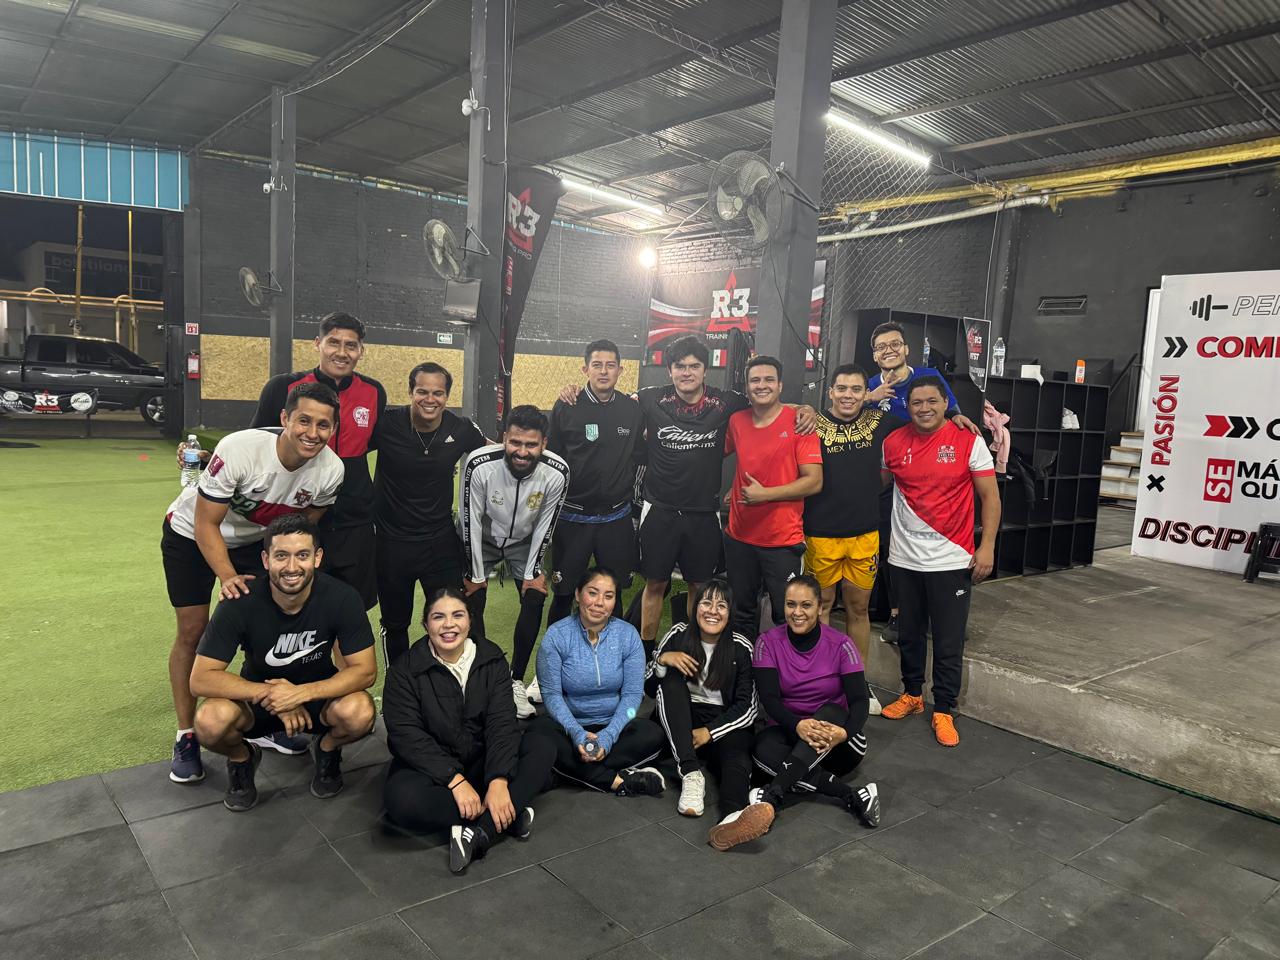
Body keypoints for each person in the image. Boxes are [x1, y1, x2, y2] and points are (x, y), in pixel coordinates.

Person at [557, 336, 816, 652]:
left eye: (694, 366)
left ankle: (695, 652)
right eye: (680, 366)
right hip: (660, 509)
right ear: (670, 371)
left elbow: (767, 403)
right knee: (655, 584)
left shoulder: (727, 402)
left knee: (699, 586)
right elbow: (609, 399)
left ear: (705, 370)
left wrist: (804, 408)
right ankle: (647, 654)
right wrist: (572, 391)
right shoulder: (649, 399)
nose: (687, 372)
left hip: (702, 512)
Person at [161, 382, 345, 785]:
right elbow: (206, 524)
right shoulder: (240, 449)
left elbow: (297, 530)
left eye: (323, 425)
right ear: (284, 419)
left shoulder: (331, 470)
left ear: (334, 429)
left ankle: (267, 720)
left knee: (270, 628)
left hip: (253, 543)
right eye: (303, 421)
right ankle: (186, 735)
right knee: (193, 631)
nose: (312, 433)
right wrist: (227, 577)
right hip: (190, 535)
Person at [247, 312, 385, 755]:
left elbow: (372, 445)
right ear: (318, 343)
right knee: (284, 610)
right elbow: (253, 445)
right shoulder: (283, 387)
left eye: (351, 344)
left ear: (361, 350)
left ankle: (340, 706)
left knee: (349, 612)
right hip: (297, 520)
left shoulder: (374, 392)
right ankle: (273, 715)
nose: (342, 351)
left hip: (354, 524)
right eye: (334, 342)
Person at [189, 514, 378, 812]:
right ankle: (242, 759)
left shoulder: (342, 598)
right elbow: (201, 679)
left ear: (317, 558)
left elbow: (365, 671)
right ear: (266, 560)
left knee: (360, 712)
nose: (291, 567)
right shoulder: (240, 602)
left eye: (302, 555)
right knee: (209, 722)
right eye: (281, 556)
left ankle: (326, 748)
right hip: (258, 701)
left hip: (316, 698)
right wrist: (273, 695)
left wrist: (301, 694)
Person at [381, 587, 557, 875]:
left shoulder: (491, 659)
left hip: (481, 760)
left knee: (543, 745)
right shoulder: (405, 671)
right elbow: (406, 735)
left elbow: (502, 723)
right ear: (425, 624)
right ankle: (508, 813)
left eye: (457, 615)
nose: (449, 625)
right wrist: (454, 780)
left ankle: (481, 830)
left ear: (470, 621)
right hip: (434, 770)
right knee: (402, 801)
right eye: (438, 617)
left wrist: (498, 780)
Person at [707, 576, 881, 851]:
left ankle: (773, 795)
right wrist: (798, 725)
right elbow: (770, 700)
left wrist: (844, 732)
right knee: (761, 749)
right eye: (790, 604)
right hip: (790, 733)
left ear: (820, 607)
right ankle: (852, 795)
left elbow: (859, 701)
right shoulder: (767, 643)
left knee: (831, 710)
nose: (797, 612)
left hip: (837, 742)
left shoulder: (842, 644)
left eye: (805, 605)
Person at [878, 376, 1000, 748]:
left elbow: (990, 497)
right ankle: (912, 694)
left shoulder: (968, 439)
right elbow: (877, 484)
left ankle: (944, 708)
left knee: (948, 639)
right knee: (909, 633)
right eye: (917, 402)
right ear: (908, 406)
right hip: (904, 558)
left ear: (946, 403)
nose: (925, 408)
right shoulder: (893, 442)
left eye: (932, 401)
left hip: (952, 558)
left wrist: (987, 546)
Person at [865, 322, 978, 644]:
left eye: (894, 344)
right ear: (874, 356)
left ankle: (941, 613)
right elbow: (841, 411)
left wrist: (957, 417)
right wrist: (868, 398)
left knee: (935, 546)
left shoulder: (927, 377)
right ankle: (899, 613)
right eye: (881, 347)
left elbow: (949, 410)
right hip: (887, 478)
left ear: (906, 349)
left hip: (929, 480)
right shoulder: (869, 386)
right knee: (892, 548)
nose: (889, 350)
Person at [804, 363, 904, 715]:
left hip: (864, 534)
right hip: (820, 534)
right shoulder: (812, 423)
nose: (848, 395)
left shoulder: (879, 421)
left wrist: (956, 416)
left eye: (856, 389)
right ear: (830, 391)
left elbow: (924, 417)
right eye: (842, 389)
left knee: (858, 609)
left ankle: (856, 682)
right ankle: (821, 680)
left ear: (866, 393)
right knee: (822, 607)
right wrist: (802, 407)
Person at [373, 362, 487, 666]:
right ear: (410, 392)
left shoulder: (461, 429)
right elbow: (347, 451)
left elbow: (496, 455)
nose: (430, 399)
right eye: (422, 391)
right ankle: (399, 685)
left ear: (447, 396)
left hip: (439, 542)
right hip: (392, 543)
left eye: (438, 393)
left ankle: (454, 681)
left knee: (452, 616)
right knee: (395, 623)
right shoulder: (386, 424)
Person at [459, 404, 569, 719]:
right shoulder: (479, 463)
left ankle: (516, 680)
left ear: (544, 443)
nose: (522, 452)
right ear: (504, 437)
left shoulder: (557, 471)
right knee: (472, 596)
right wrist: (475, 575)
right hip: (482, 538)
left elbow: (546, 525)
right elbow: (469, 520)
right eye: (515, 442)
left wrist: (533, 572)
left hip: (524, 541)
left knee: (535, 596)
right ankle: (481, 678)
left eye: (531, 444)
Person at [532, 567, 666, 797]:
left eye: (608, 596)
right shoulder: (556, 636)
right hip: (568, 727)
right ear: (578, 594)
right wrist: (577, 733)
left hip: (615, 726)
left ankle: (564, 772)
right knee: (538, 733)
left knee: (654, 734)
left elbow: (632, 695)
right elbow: (552, 695)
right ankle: (617, 781)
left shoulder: (628, 635)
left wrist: (608, 736)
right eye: (592, 593)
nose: (599, 603)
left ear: (615, 601)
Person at [546, 339, 645, 629]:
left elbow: (640, 453)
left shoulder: (632, 410)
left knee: (613, 594)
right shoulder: (567, 405)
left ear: (620, 370)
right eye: (597, 365)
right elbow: (552, 459)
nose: (604, 371)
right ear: (585, 369)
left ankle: (613, 654)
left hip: (616, 519)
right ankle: (556, 653)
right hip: (572, 517)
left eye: (610, 365)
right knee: (564, 594)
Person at [723, 355, 823, 637]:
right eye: (755, 380)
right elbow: (717, 452)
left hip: (781, 540)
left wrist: (765, 495)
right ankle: (745, 665)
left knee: (788, 616)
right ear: (746, 387)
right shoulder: (737, 421)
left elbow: (814, 481)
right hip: (739, 537)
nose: (761, 385)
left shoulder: (800, 423)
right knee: (741, 614)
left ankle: (782, 667)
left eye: (769, 379)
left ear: (780, 385)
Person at [646, 579, 756, 820]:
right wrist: (662, 661)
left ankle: (732, 817)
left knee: (736, 759)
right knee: (670, 682)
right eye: (706, 603)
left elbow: (747, 707)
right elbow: (651, 690)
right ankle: (691, 773)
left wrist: (710, 732)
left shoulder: (741, 647)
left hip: (722, 720)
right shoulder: (678, 634)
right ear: (695, 606)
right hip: (680, 716)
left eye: (721, 606)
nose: (712, 611)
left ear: (730, 613)